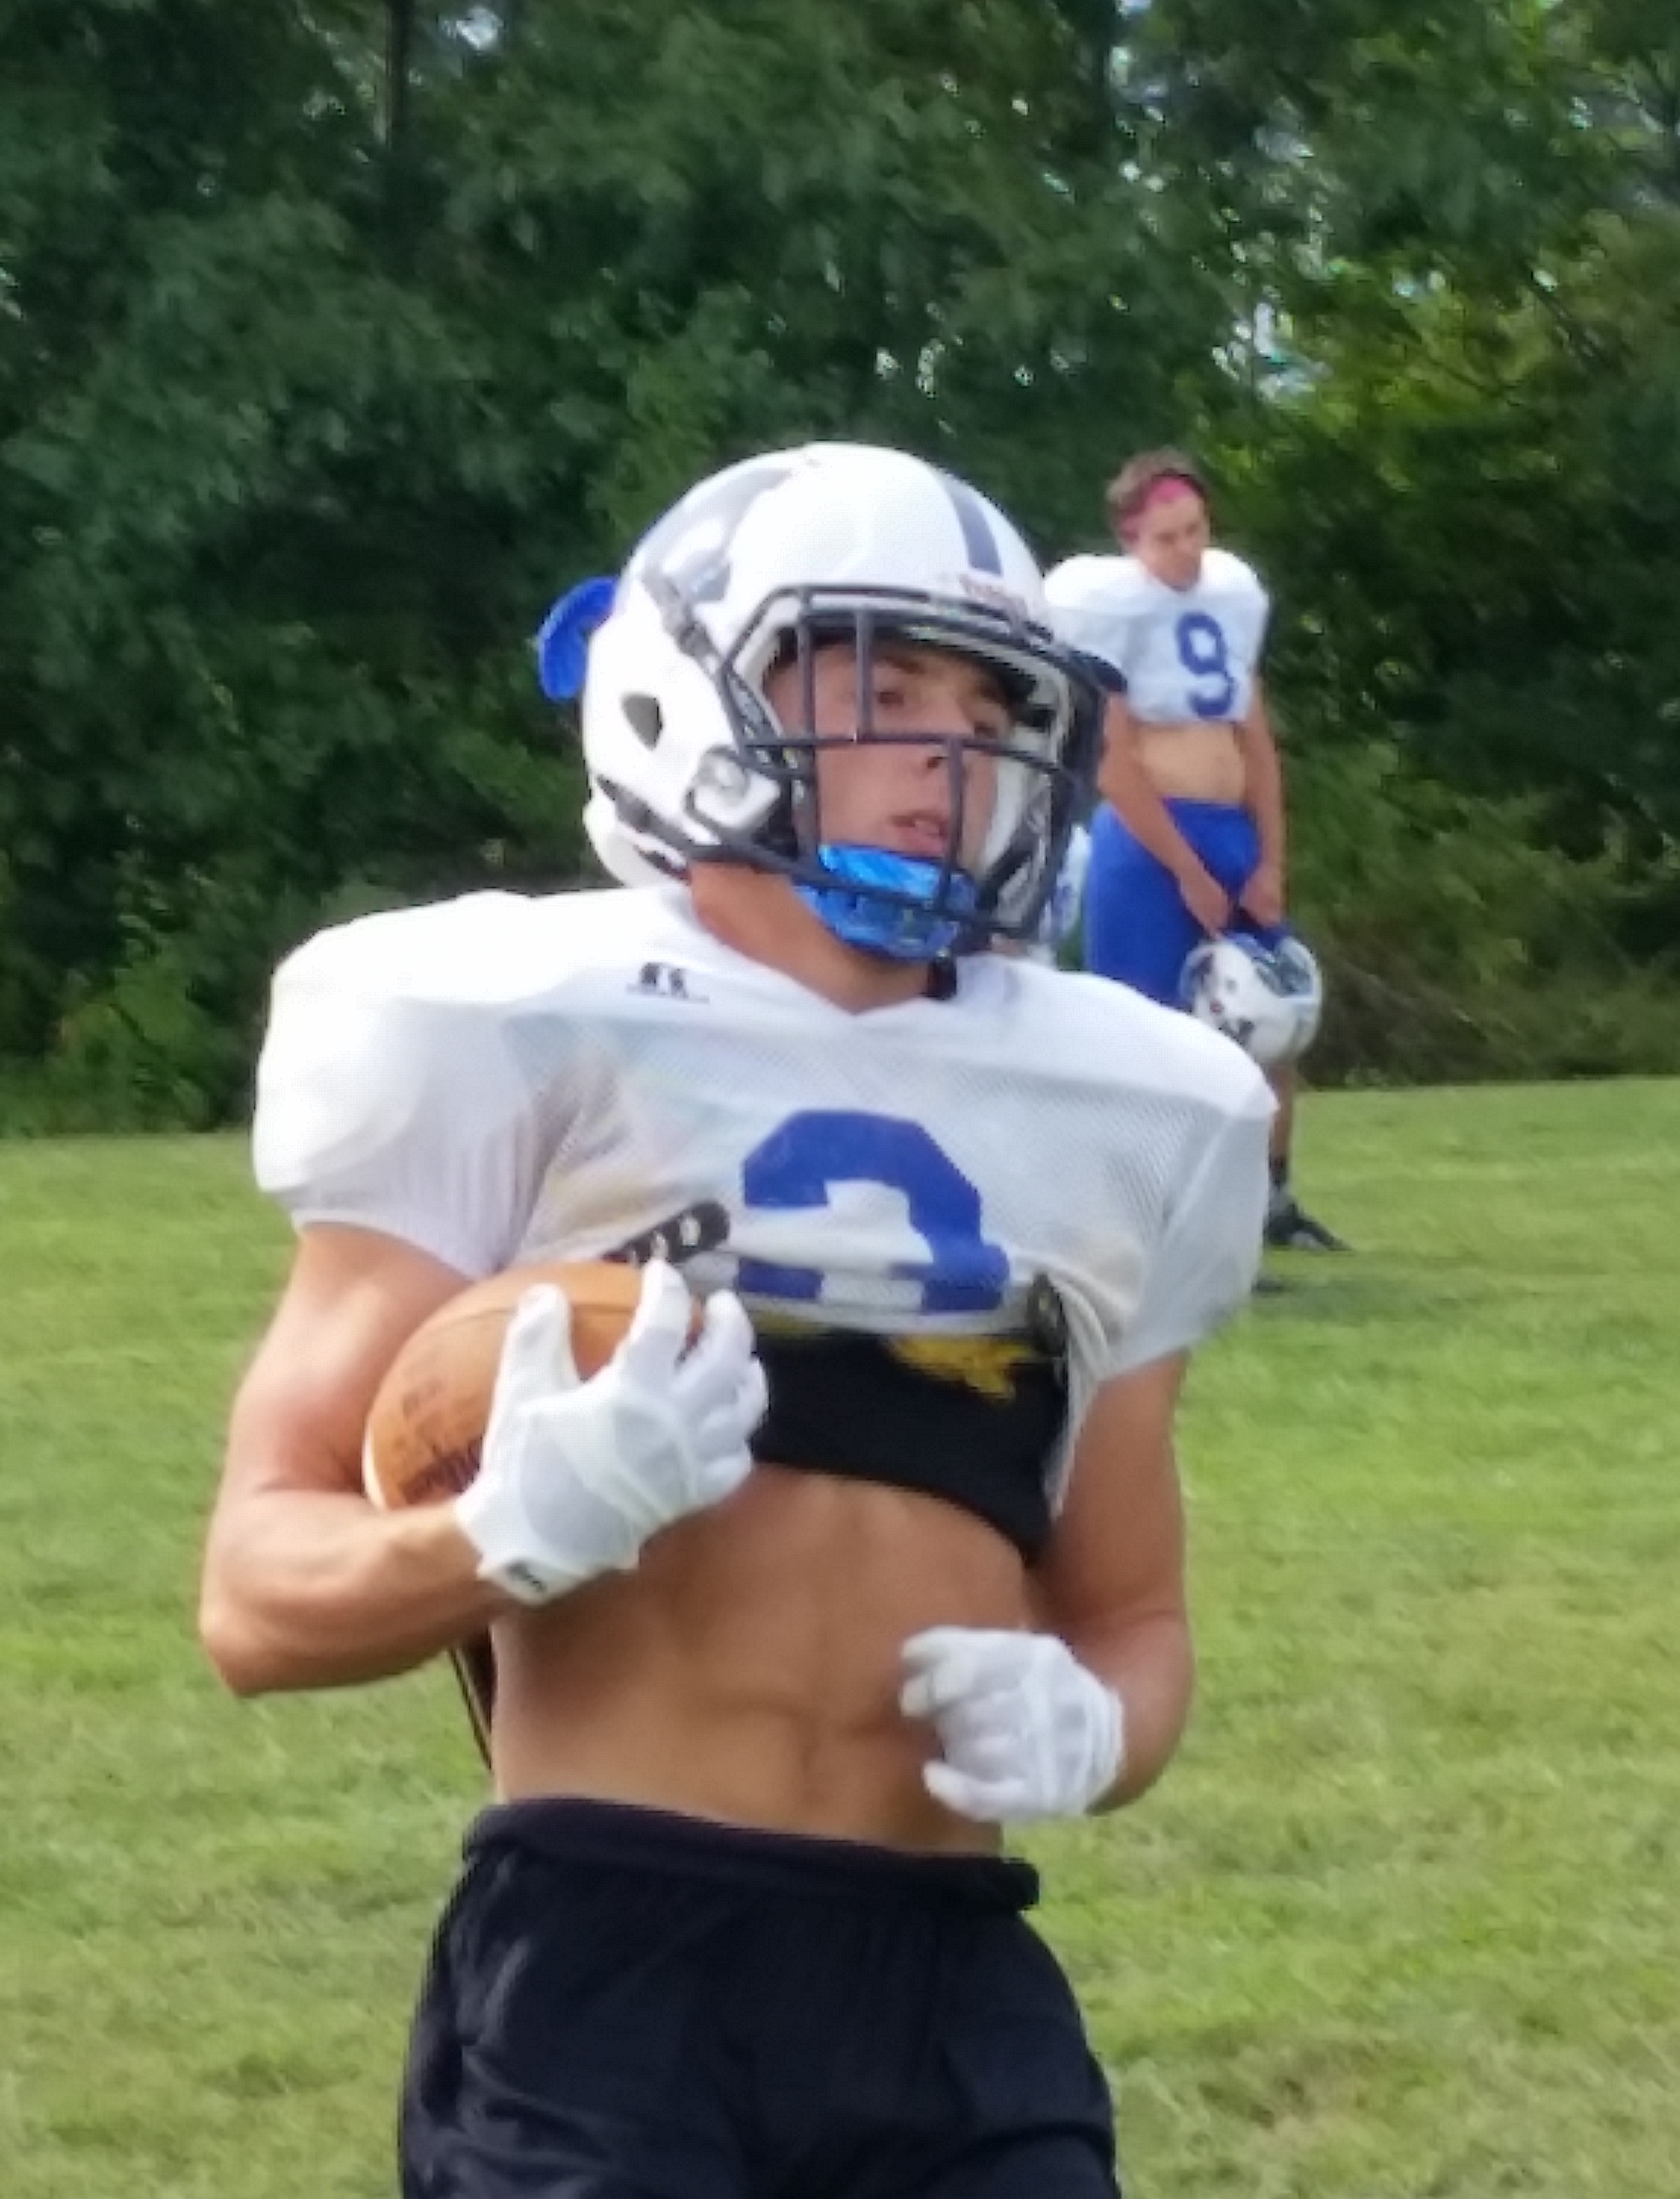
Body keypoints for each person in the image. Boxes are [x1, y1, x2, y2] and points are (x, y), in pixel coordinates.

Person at [200, 442, 1273, 2199]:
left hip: (949, 1982)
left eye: (984, 704)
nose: (945, 755)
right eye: (882, 690)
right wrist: (502, 1530)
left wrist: (1097, 1728)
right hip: (608, 1969)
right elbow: (253, 1595)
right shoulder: (514, 1027)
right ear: (686, 691)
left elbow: (1130, 1617)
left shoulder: (1128, 1105)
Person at [1043, 448, 1347, 1262]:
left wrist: (1270, 859)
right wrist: (1185, 868)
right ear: (1130, 541)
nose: (1184, 551)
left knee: (1275, 1017)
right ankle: (1136, 1214)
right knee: (1141, 1032)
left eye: (1194, 531)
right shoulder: (1113, 612)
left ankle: (1270, 1199)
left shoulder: (1225, 603)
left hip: (1228, 831)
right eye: (1165, 538)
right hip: (1150, 843)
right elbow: (1114, 762)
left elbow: (1258, 743)